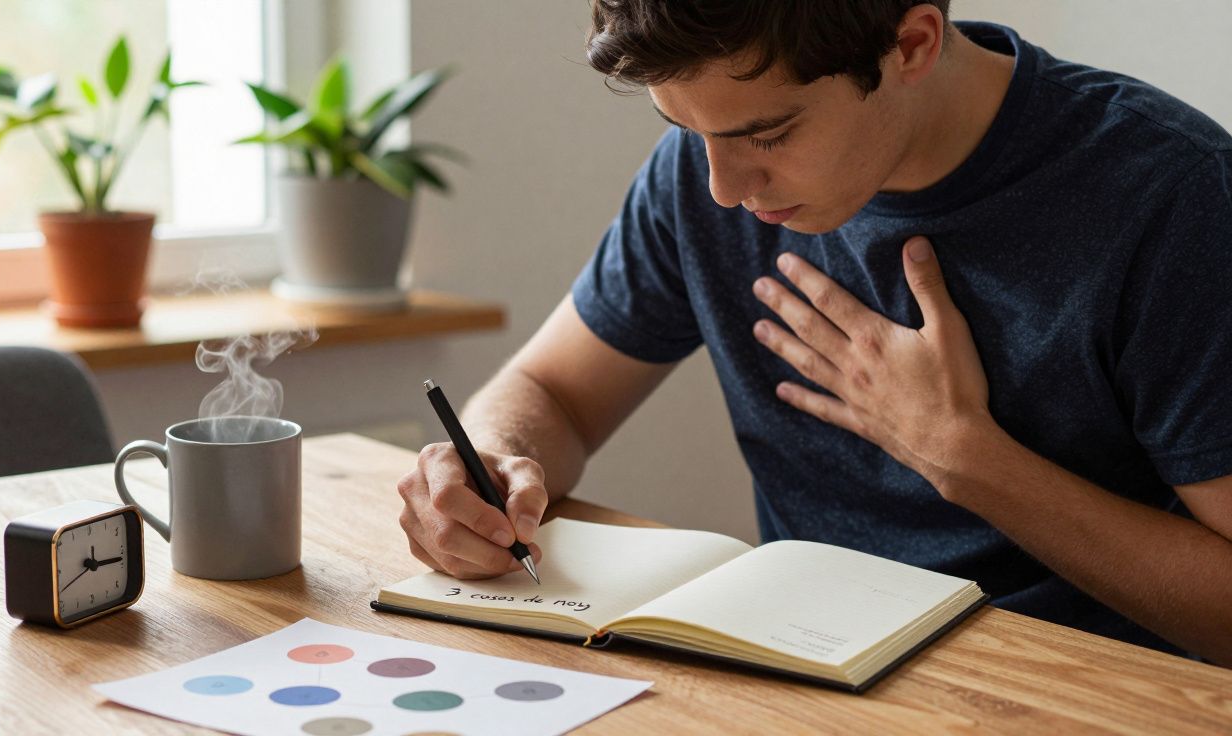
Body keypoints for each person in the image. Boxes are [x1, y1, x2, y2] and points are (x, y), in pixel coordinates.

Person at [396, 0, 1232, 664]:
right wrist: (488, 467)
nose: (724, 187)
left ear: (912, 45)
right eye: (687, 132)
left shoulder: (1171, 200)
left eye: (767, 134)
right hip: (805, 680)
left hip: (1087, 697)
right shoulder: (705, 173)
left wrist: (964, 457)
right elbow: (555, 394)